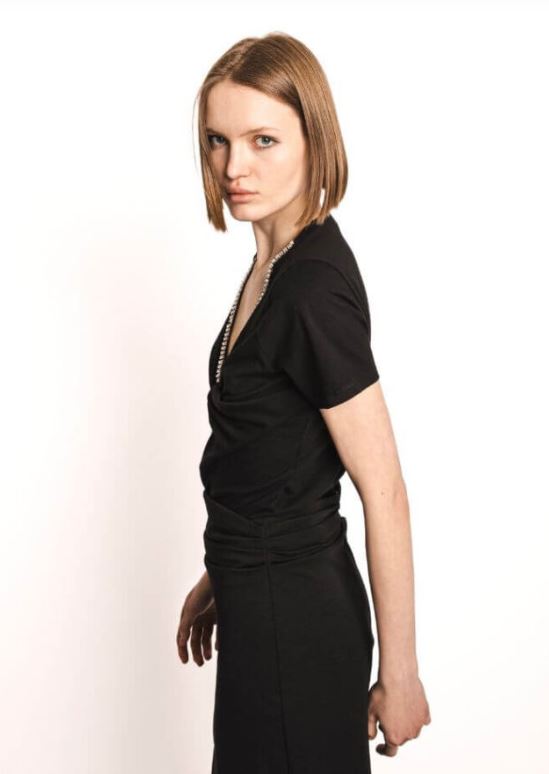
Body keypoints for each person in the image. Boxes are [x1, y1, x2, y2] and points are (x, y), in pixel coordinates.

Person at [176, 31, 431, 774]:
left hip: (297, 622)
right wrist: (223, 572)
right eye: (219, 140)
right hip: (260, 602)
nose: (235, 166)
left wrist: (402, 675)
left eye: (263, 140)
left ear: (313, 139)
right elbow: (270, 453)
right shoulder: (274, 263)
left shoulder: (312, 286)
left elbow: (383, 487)